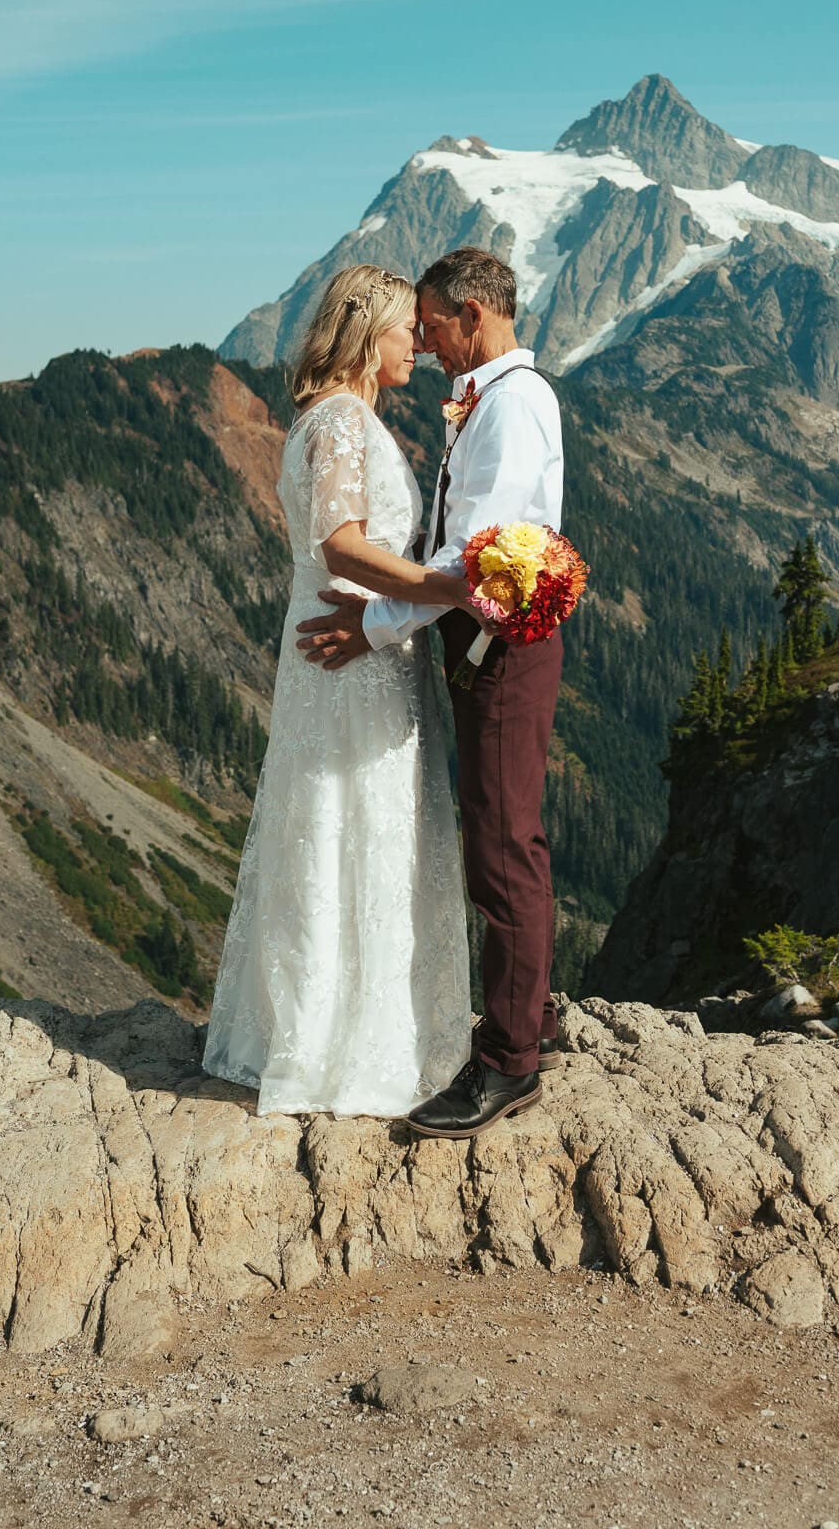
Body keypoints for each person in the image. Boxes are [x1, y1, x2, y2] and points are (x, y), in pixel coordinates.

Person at [297, 247, 565, 1139]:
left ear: (473, 316)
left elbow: (470, 559)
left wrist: (374, 625)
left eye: (434, 325)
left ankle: (509, 1061)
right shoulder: (491, 400)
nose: (423, 341)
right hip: (482, 641)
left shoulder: (511, 405)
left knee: (501, 845)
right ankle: (530, 1017)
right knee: (503, 831)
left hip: (501, 645)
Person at [202, 264, 473, 1117]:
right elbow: (342, 546)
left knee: (344, 819)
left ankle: (328, 1026)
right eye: (405, 330)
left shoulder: (331, 417)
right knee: (355, 816)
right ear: (364, 331)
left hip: (352, 643)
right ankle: (342, 1043)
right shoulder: (342, 420)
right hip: (351, 650)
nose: (418, 344)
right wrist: (451, 589)